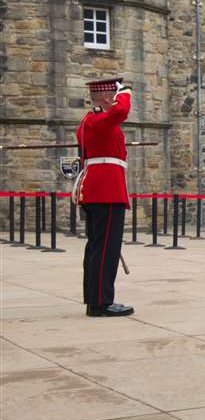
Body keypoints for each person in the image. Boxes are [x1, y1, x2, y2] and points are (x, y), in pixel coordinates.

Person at [75, 77, 133, 317]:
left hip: (98, 188)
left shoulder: (91, 120)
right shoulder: (99, 120)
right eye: (114, 93)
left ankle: (95, 300)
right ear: (108, 96)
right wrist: (126, 92)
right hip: (106, 190)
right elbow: (122, 111)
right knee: (105, 248)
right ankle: (101, 302)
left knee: (97, 247)